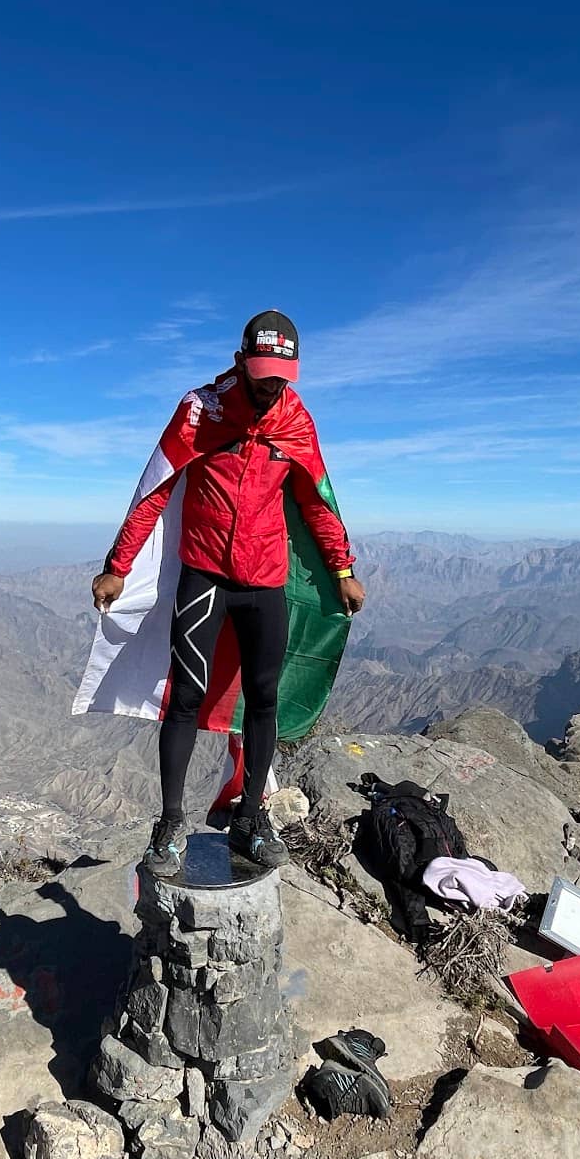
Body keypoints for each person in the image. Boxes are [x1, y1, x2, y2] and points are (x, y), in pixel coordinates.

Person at [90, 311, 365, 876]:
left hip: (265, 582)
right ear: (240, 362)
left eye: (281, 376)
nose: (271, 385)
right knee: (185, 700)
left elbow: (317, 501)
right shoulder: (201, 410)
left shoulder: (296, 420)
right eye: (262, 373)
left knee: (263, 701)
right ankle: (169, 825)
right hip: (205, 576)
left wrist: (341, 569)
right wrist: (117, 566)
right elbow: (155, 488)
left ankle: (251, 820)